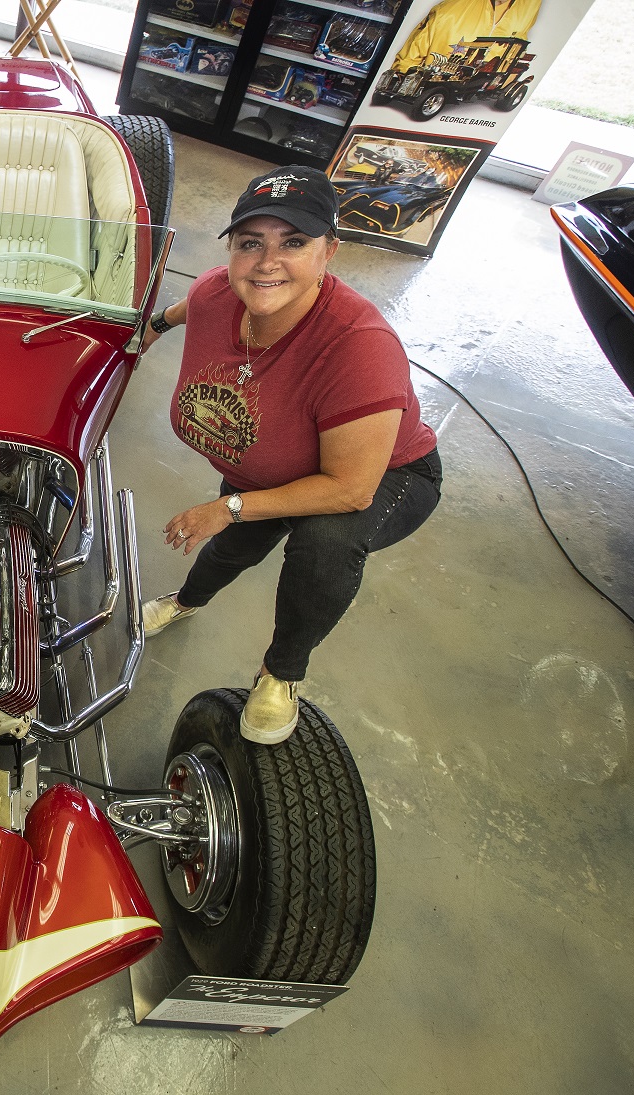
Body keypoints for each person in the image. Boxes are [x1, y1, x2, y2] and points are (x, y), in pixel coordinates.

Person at [139, 166, 442, 744]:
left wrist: (225, 507)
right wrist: (152, 328)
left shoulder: (359, 347)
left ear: (330, 249)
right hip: (275, 468)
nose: (266, 262)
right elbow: (190, 304)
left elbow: (351, 488)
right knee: (235, 546)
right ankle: (185, 602)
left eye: (293, 242)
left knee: (323, 545)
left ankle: (281, 673)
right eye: (251, 242)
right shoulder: (218, 292)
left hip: (385, 475)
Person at [390, 0, 541, 72]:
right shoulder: (448, 13)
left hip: (481, 105)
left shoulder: (531, 4)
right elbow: (406, 62)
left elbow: (522, 35)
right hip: (433, 93)